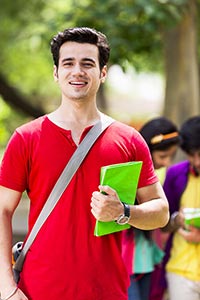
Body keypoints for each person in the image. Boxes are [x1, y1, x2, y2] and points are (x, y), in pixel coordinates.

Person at [0, 27, 169, 300]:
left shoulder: (129, 140)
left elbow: (161, 212)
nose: (77, 71)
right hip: (38, 292)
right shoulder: (26, 138)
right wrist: (6, 288)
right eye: (68, 63)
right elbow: (2, 211)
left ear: (102, 73)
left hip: (107, 292)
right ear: (56, 73)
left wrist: (124, 211)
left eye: (88, 63)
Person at [122, 117, 180, 300]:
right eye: (163, 157)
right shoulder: (127, 175)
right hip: (124, 258)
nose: (167, 163)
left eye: (171, 156)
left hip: (145, 257)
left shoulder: (154, 180)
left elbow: (159, 221)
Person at [161, 115, 200, 300]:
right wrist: (177, 219)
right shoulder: (176, 174)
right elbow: (162, 223)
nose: (197, 161)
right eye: (192, 154)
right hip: (180, 272)